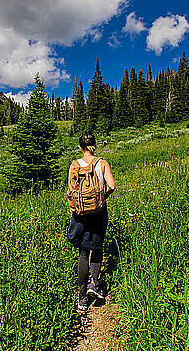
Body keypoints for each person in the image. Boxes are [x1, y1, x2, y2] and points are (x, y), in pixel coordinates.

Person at [67, 133, 115, 312]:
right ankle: (94, 284)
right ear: (94, 145)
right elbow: (111, 185)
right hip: (98, 212)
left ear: (81, 147)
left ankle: (81, 298)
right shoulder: (102, 163)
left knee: (83, 252)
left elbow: (70, 191)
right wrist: (101, 198)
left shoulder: (74, 165)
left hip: (79, 213)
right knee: (97, 248)